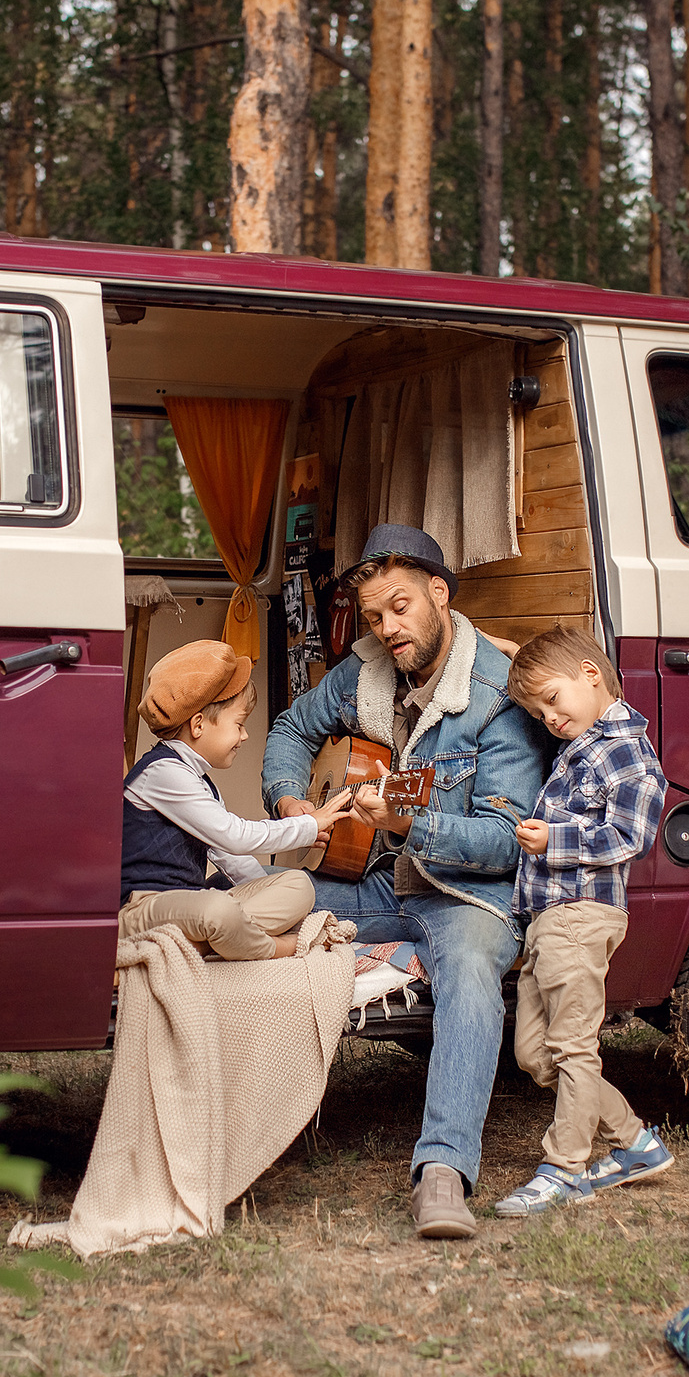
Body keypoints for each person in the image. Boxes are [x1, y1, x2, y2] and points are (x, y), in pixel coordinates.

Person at [262, 523, 558, 1239]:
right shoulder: (364, 671)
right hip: (382, 884)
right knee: (259, 910)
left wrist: (407, 823)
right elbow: (291, 727)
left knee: (468, 973)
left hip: (468, 895)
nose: (387, 628)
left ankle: (443, 1173)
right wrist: (289, 798)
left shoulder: (495, 694)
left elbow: (502, 843)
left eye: (400, 607)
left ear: (438, 591)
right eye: (373, 617)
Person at [488, 625, 675, 1216]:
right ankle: (635, 1143)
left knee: (572, 1045)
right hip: (549, 920)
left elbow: (632, 834)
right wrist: (523, 659)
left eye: (552, 701)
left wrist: (554, 840)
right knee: (536, 1053)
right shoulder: (585, 735)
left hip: (581, 915)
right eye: (538, 710)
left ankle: (565, 1166)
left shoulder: (623, 748)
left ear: (591, 677)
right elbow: (560, 674)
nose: (549, 717)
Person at [121, 640, 354, 960]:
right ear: (199, 725)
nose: (244, 736)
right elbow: (235, 835)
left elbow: (230, 856)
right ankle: (272, 947)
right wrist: (307, 826)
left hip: (189, 908)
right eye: (239, 725)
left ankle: (215, 940)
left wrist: (273, 895)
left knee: (300, 885)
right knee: (217, 909)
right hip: (143, 908)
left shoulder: (198, 782)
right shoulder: (162, 773)